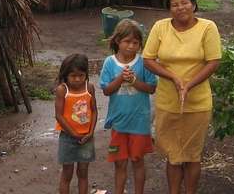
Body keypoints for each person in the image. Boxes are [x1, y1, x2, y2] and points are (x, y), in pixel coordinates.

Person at [142, 0, 222, 194]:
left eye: (185, 3)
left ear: (194, 5)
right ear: (169, 9)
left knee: (193, 155)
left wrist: (189, 84)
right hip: (168, 101)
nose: (180, 8)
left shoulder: (207, 27)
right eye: (174, 5)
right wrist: (174, 78)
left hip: (197, 103)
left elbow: (213, 62)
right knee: (173, 155)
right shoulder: (160, 27)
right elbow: (148, 59)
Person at [99, 19, 157, 194]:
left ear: (140, 44)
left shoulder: (144, 63)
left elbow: (151, 88)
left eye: (135, 43)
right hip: (118, 123)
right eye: (127, 42)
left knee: (138, 160)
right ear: (118, 41)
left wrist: (134, 81)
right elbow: (107, 90)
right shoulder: (110, 63)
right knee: (119, 162)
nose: (131, 46)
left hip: (140, 122)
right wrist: (120, 79)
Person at [55, 54, 97, 194]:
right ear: (66, 75)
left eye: (81, 75)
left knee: (83, 173)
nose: (78, 79)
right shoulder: (62, 90)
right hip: (67, 138)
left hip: (86, 138)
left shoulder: (89, 88)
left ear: (86, 75)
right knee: (67, 173)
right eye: (73, 76)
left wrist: (91, 132)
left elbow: (94, 111)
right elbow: (59, 116)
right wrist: (73, 134)